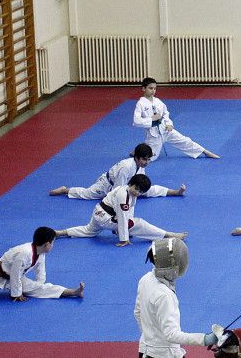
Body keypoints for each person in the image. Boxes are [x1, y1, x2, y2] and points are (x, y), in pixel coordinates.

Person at [135, 238, 219, 357]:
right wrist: (204, 339)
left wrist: (150, 338)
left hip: (144, 350)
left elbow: (138, 313)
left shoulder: (145, 279)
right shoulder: (164, 295)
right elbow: (171, 335)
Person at [55, 174, 187, 246]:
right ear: (130, 184)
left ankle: (61, 232)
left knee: (88, 231)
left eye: (140, 192)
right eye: (136, 189)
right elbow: (124, 218)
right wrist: (124, 239)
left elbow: (127, 213)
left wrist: (122, 229)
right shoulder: (123, 195)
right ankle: (169, 235)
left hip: (98, 212)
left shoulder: (128, 191)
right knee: (139, 223)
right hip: (106, 217)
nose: (137, 193)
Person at [48, 143, 184, 199]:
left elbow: (142, 183)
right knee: (87, 194)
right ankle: (65, 190)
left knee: (148, 189)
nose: (147, 163)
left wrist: (139, 191)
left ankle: (175, 192)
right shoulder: (126, 167)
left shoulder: (139, 166)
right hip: (106, 184)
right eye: (144, 160)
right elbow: (118, 190)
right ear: (136, 157)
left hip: (129, 184)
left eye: (148, 160)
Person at [134, 77, 220, 160]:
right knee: (150, 157)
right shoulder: (140, 104)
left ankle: (205, 152)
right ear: (143, 89)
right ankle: (138, 150)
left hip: (165, 130)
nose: (153, 91)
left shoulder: (158, 101)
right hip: (153, 134)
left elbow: (165, 114)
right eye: (150, 88)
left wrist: (169, 124)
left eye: (155, 89)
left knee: (185, 141)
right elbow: (136, 121)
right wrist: (151, 119)